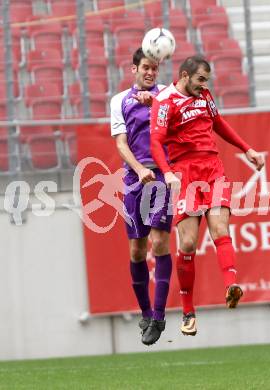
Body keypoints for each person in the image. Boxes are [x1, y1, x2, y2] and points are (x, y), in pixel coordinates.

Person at [150, 55, 264, 336]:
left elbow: (218, 122)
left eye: (207, 81)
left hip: (212, 168)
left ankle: (231, 286)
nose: (204, 86)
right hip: (185, 171)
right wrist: (167, 172)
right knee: (188, 243)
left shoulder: (204, 97)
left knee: (220, 229)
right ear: (185, 75)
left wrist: (246, 149)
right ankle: (188, 311)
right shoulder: (165, 101)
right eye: (200, 80)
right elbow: (156, 140)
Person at [110, 48, 173, 346]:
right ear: (134, 68)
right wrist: (138, 169)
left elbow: (177, 127)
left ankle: (159, 316)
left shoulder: (168, 95)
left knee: (160, 242)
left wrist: (157, 102)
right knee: (137, 250)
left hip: (162, 176)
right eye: (145, 67)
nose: (150, 73)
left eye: (155, 68)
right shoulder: (119, 101)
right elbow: (121, 143)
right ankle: (146, 313)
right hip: (134, 178)